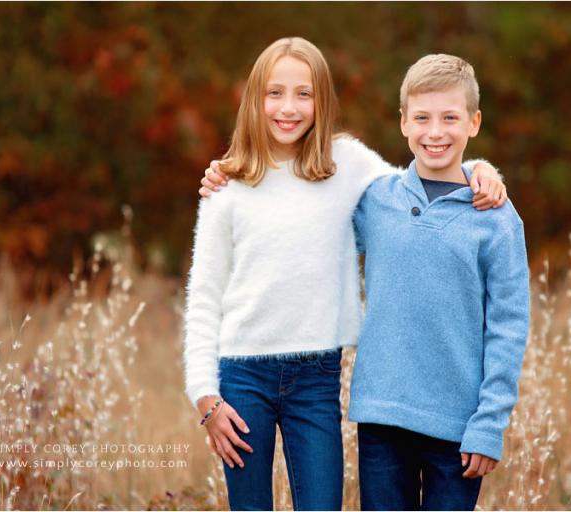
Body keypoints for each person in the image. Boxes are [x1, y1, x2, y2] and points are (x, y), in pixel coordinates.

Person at [185, 37, 507, 511]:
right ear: (255, 99)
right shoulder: (227, 186)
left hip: (315, 378)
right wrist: (204, 396)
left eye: (304, 93)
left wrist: (481, 168)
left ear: (322, 101)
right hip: (242, 375)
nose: (288, 107)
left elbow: (419, 183)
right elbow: (204, 297)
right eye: (275, 93)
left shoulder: (347, 165)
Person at [349, 54, 530, 511]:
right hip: (382, 415)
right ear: (404, 123)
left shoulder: (496, 219)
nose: (435, 132)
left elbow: (508, 328)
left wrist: (489, 424)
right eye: (423, 118)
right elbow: (309, 221)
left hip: (459, 428)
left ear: (474, 122)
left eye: (450, 118)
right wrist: (233, 174)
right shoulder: (376, 199)